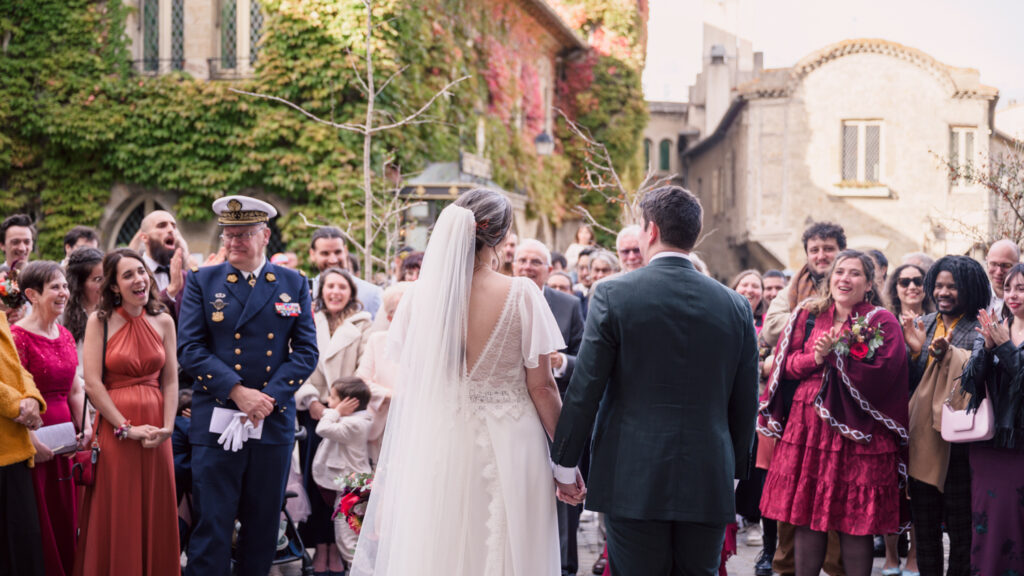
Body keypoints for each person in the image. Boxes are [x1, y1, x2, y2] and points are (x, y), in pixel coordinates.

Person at [351, 189, 570, 575]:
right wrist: (567, 462)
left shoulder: (417, 299)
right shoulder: (521, 293)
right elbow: (542, 387)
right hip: (513, 441)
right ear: (501, 237)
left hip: (442, 437)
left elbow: (416, 380)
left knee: (445, 544)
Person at [553, 185, 759, 576]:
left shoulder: (612, 294)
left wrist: (565, 464)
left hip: (633, 475)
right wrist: (733, 470)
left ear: (650, 231)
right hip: (709, 471)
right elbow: (746, 398)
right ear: (693, 234)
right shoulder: (735, 305)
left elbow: (586, 388)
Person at [178, 195, 318, 576]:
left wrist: (268, 398)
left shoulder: (292, 282)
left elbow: (306, 350)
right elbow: (189, 349)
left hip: (270, 421)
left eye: (243, 234)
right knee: (213, 526)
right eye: (229, 234)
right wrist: (239, 392)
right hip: (218, 418)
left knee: (262, 529)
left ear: (265, 235)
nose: (233, 242)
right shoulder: (203, 281)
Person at [760, 250, 909, 576]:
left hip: (859, 434)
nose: (845, 279)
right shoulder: (808, 314)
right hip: (807, 427)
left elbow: (885, 373)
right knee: (807, 516)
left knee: (855, 523)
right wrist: (817, 357)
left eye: (855, 273)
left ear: (869, 283)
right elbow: (786, 367)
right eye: (840, 272)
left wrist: (838, 358)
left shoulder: (881, 321)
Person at [74, 248, 180, 575]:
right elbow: (92, 383)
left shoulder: (163, 320)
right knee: (119, 508)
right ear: (115, 286)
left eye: (141, 272)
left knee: (155, 508)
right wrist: (125, 428)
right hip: (116, 430)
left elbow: (172, 379)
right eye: (128, 275)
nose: (139, 280)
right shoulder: (100, 321)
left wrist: (167, 427)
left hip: (157, 432)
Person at [900, 255, 990, 576]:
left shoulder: (982, 325)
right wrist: (915, 351)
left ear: (970, 288)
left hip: (961, 444)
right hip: (923, 441)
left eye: (953, 286)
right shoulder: (922, 323)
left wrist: (948, 354)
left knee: (961, 530)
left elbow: (980, 375)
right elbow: (910, 385)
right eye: (938, 285)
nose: (944, 292)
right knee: (924, 530)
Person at [514, 238, 585, 576]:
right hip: (514, 413)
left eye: (535, 262)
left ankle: (567, 567)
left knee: (563, 500)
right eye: (522, 260)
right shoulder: (504, 299)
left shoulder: (568, 305)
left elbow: (585, 357)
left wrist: (561, 363)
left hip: (560, 408)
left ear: (550, 269)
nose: (527, 267)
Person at [295, 267, 372, 575]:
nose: (336, 292)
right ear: (321, 291)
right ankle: (321, 545)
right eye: (330, 287)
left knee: (343, 482)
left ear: (350, 292)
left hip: (348, 412)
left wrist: (344, 404)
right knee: (316, 481)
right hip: (315, 411)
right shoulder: (309, 322)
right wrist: (313, 401)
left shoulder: (362, 324)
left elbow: (365, 366)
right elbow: (298, 359)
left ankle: (341, 547)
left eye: (342, 286)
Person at [11, 261, 82, 576]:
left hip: (66, 435)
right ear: (32, 294)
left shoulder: (65, 334)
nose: (64, 292)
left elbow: (75, 388)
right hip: (33, 437)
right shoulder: (17, 337)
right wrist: (31, 443)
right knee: (40, 519)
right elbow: (15, 397)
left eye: (65, 286)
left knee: (66, 514)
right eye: (55, 287)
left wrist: (85, 425)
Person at [962, 263, 1024, 575]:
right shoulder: (995, 324)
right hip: (989, 443)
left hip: (1020, 445)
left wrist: (1005, 347)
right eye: (1009, 288)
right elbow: (969, 383)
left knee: (1015, 522)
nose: (1013, 295)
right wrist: (985, 349)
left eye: (1021, 288)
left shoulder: (1003, 333)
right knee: (988, 522)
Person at [0, 309, 47, 576]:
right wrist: (18, 405)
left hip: (14, 450)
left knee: (24, 544)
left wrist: (31, 397)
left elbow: (16, 368)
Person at [313, 377, 373, 568]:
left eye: (332, 398)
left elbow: (322, 428)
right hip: (352, 487)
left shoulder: (354, 424)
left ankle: (364, 572)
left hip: (352, 490)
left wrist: (335, 412)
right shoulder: (354, 420)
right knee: (350, 540)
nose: (329, 403)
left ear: (349, 403)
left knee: (348, 543)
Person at [355, 282, 411, 462]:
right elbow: (361, 381)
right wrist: (390, 395)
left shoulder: (431, 346)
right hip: (380, 423)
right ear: (389, 317)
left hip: (414, 423)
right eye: (400, 311)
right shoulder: (377, 341)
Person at [309, 227, 383, 319]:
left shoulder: (371, 293)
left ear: (345, 251)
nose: (333, 259)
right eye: (325, 253)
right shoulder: (306, 293)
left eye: (337, 252)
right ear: (312, 254)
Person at [62, 247, 105, 345]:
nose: (105, 285)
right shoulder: (62, 315)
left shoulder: (112, 312)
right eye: (98, 279)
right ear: (79, 284)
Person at [1, 214, 35, 324]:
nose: (22, 248)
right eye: (15, 242)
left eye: (27, 242)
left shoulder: (43, 278)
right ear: (2, 245)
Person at [985, 239, 1020, 314]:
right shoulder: (975, 297)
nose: (998, 272)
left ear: (1018, 265)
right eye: (993, 264)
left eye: (1006, 265)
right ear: (987, 262)